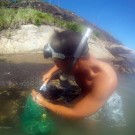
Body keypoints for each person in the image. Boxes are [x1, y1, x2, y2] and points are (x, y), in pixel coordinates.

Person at [31, 30, 117, 119]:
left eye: (56, 60)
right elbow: (65, 62)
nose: (55, 63)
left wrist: (43, 102)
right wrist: (50, 73)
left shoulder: (106, 80)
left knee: (88, 124)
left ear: (73, 61)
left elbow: (76, 113)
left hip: (100, 101)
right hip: (85, 92)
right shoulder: (80, 60)